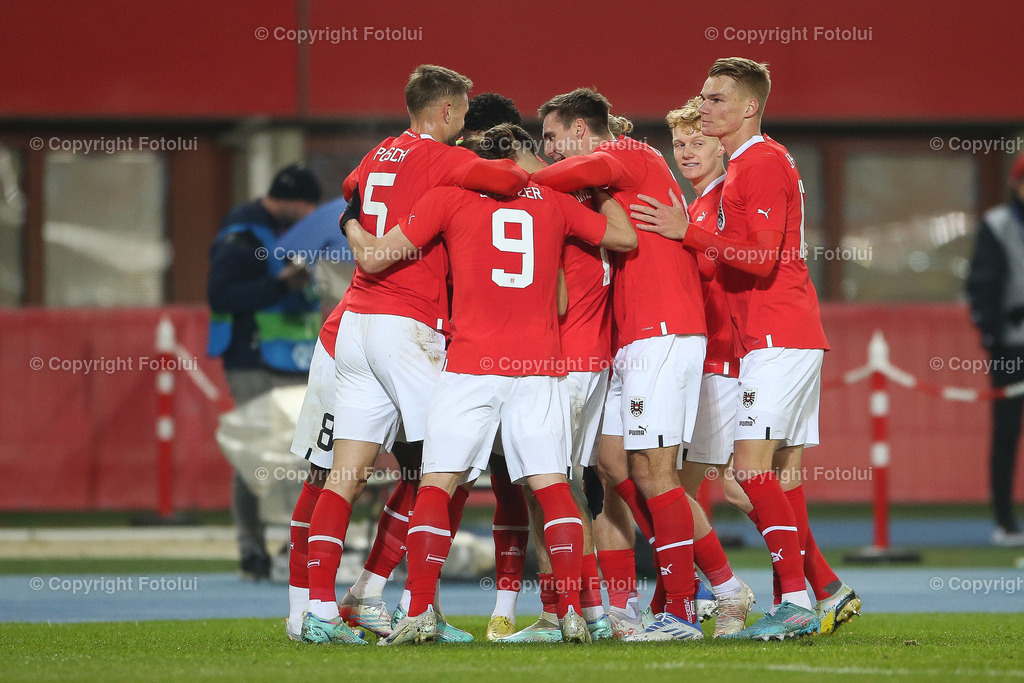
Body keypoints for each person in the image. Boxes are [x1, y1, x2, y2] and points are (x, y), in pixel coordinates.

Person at [343, 133, 637, 646]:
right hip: (540, 365)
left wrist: (350, 221)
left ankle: (418, 614)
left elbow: (377, 258)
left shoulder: (447, 197)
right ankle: (570, 613)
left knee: (438, 483)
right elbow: (624, 239)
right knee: (551, 486)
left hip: (473, 363)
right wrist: (600, 186)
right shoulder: (556, 203)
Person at [296, 64, 528, 646]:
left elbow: (350, 196)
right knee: (447, 470)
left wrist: (356, 230)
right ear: (448, 112)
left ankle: (321, 613)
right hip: (407, 327)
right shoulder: (444, 159)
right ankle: (415, 606)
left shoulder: (379, 153)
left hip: (356, 324)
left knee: (344, 476)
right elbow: (509, 183)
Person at [631, 57, 860, 639]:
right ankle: (819, 591)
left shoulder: (756, 163)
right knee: (768, 477)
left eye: (714, 100)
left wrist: (686, 234)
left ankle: (789, 602)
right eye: (702, 98)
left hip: (772, 335)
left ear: (748, 106)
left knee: (748, 476)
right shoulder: (752, 163)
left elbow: (759, 258)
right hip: (778, 335)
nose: (703, 107)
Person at [530, 88, 707, 641]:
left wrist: (502, 170)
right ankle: (626, 607)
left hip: (663, 330)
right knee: (610, 467)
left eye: (555, 138)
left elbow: (551, 179)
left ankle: (686, 606)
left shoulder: (624, 153)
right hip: (630, 340)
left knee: (656, 473)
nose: (551, 150)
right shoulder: (612, 179)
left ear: (582, 130)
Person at [667, 97, 756, 637]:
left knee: (691, 488)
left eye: (697, 141)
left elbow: (742, 258)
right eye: (678, 143)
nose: (686, 152)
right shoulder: (696, 203)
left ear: (721, 146)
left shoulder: (722, 200)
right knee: (682, 487)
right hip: (712, 360)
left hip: (728, 360)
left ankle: (743, 590)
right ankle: (700, 593)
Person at [208, 162, 322, 582]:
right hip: (253, 357)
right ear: (291, 201)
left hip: (295, 357)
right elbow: (220, 293)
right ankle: (251, 550)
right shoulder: (243, 232)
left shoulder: (292, 232)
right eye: (307, 204)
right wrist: (281, 284)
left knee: (305, 455)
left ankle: (295, 544)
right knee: (255, 454)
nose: (311, 213)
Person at [967, 152, 1024, 547]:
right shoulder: (998, 225)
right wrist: (991, 332)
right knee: (1006, 432)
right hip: (1011, 345)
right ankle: (1004, 522)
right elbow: (981, 284)